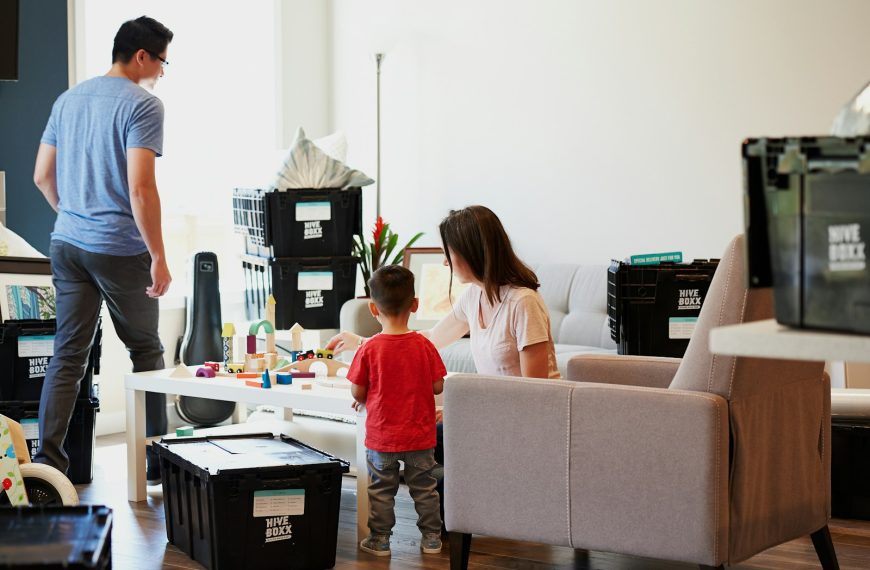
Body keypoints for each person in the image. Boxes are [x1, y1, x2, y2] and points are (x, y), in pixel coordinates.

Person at [327, 205, 558, 527]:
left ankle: (473, 511)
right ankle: (459, 510)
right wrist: (365, 343)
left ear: (472, 251)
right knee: (412, 439)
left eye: (449, 252)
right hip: (491, 414)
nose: (445, 262)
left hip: (527, 422)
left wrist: (461, 410)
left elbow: (535, 393)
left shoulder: (523, 303)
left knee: (426, 450)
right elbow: (428, 340)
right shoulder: (474, 297)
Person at [32, 16, 174, 483]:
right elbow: (140, 188)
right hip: (118, 248)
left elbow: (42, 177)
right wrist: (158, 254)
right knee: (147, 351)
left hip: (67, 243)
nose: (161, 71)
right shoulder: (143, 105)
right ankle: (155, 461)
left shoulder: (68, 100)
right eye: (161, 61)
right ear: (141, 56)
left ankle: (48, 468)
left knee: (67, 355)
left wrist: (72, 216)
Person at [347, 265, 447, 557]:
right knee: (424, 488)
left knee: (381, 490)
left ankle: (380, 540)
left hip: (382, 438)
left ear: (372, 308)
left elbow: (357, 391)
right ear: (414, 305)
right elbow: (438, 386)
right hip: (420, 436)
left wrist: (365, 395)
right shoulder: (424, 346)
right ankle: (431, 537)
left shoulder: (369, 349)